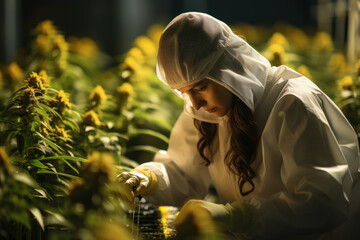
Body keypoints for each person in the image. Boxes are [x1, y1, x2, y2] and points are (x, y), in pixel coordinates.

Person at [118, 12, 360, 239]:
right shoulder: (210, 111)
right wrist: (148, 177)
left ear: (227, 69)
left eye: (200, 87)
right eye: (184, 93)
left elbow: (322, 202)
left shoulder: (292, 104)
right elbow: (183, 171)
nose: (194, 103)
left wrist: (241, 216)